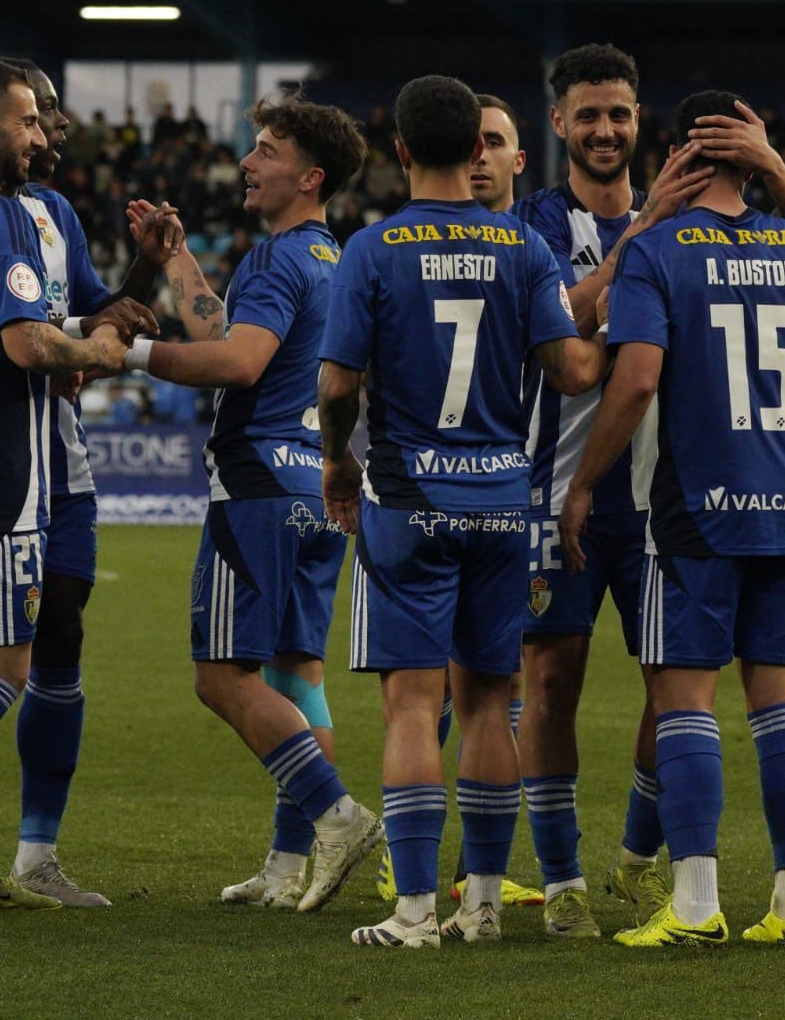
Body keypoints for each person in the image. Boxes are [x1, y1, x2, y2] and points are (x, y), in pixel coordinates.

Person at [558, 88, 785, 948]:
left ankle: (696, 905)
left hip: (695, 511)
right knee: (776, 701)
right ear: (754, 159)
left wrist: (584, 484)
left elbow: (631, 381)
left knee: (684, 700)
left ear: (679, 160)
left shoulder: (657, 252)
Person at [318, 74, 607, 950]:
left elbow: (337, 384)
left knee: (413, 703)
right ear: (477, 149)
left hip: (408, 495)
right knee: (490, 702)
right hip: (499, 499)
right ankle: (480, 903)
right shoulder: (524, 249)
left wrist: (337, 459)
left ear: (398, 150)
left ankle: (413, 911)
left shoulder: (371, 250)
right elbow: (571, 371)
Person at [0, 61, 167, 908]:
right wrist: (79, 352)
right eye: (38, 115)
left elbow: (93, 310)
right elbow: (37, 338)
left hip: (47, 465)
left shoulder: (35, 215)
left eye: (52, 118)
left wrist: (144, 274)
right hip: (0, 461)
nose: (51, 131)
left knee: (52, 642)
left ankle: (25, 854)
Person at [127, 94, 381, 914]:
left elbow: (237, 362)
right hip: (316, 483)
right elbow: (237, 332)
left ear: (308, 177)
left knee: (220, 676)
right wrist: (175, 263)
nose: (247, 161)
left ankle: (337, 815)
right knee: (296, 670)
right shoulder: (331, 259)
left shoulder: (278, 258)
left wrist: (124, 350)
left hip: (259, 487)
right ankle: (286, 865)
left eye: (266, 150)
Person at [511, 44, 714, 938]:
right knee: (550, 683)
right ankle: (562, 885)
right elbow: (564, 322)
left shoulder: (687, 227)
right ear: (558, 123)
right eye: (588, 115)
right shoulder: (529, 228)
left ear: (640, 122)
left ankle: (634, 857)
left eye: (619, 115)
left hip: (665, 500)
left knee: (675, 688)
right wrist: (641, 235)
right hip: (556, 492)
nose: (604, 130)